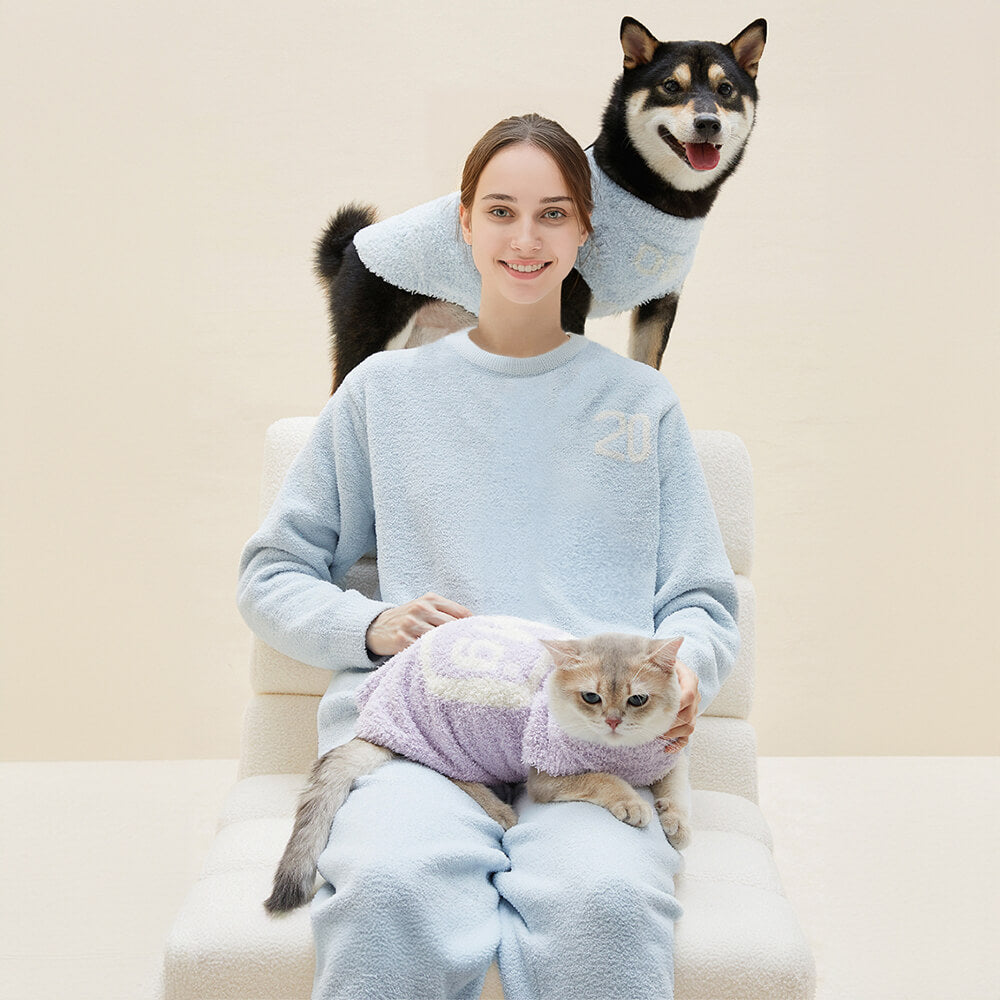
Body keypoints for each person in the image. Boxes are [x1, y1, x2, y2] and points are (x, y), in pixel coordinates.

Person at [237, 113, 739, 1000]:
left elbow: (699, 598)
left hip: (598, 742)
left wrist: (688, 670)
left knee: (611, 902)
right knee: (389, 887)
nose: (525, 237)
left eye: (553, 213)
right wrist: (371, 622)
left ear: (587, 230)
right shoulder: (381, 395)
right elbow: (273, 572)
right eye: (500, 210)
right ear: (461, 224)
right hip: (421, 736)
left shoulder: (641, 403)